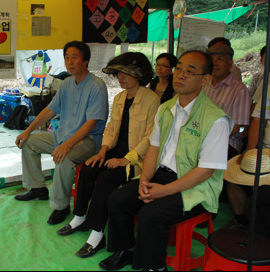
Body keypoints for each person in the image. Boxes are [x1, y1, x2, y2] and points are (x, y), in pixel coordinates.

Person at [99, 51, 232, 271]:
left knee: (150, 214)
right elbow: (154, 147)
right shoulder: (166, 108)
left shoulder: (216, 119)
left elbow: (205, 172)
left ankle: (155, 266)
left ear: (205, 80)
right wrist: (146, 179)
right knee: (118, 199)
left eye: (190, 72)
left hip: (196, 186)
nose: (180, 75)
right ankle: (127, 250)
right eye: (179, 69)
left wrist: (165, 190)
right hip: (162, 174)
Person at [57, 52, 159, 259]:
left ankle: (97, 233)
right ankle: (79, 216)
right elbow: (112, 128)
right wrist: (102, 151)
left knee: (105, 179)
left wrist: (126, 159)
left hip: (137, 160)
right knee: (88, 168)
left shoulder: (152, 99)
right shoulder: (120, 97)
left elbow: (150, 137)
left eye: (126, 73)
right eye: (118, 74)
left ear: (138, 75)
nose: (120, 78)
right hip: (114, 152)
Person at [14, 41, 109, 226]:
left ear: (85, 61)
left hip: (87, 141)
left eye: (75, 57)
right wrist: (27, 131)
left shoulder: (97, 86)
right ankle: (37, 188)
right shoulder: (66, 84)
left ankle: (61, 206)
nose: (69, 61)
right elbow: (50, 110)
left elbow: (91, 123)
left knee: (63, 158)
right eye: (66, 57)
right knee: (28, 142)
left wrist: (67, 145)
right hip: (62, 135)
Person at [224, 63, 270, 238]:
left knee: (268, 193)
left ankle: (269, 241)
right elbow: (258, 119)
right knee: (232, 173)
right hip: (267, 152)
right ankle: (242, 220)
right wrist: (250, 151)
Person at [204, 43, 251, 159]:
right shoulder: (203, 85)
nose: (215, 63)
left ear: (230, 63)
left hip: (226, 143)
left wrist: (206, 140)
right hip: (200, 139)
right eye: (211, 59)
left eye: (220, 59)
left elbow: (235, 128)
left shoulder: (240, 91)